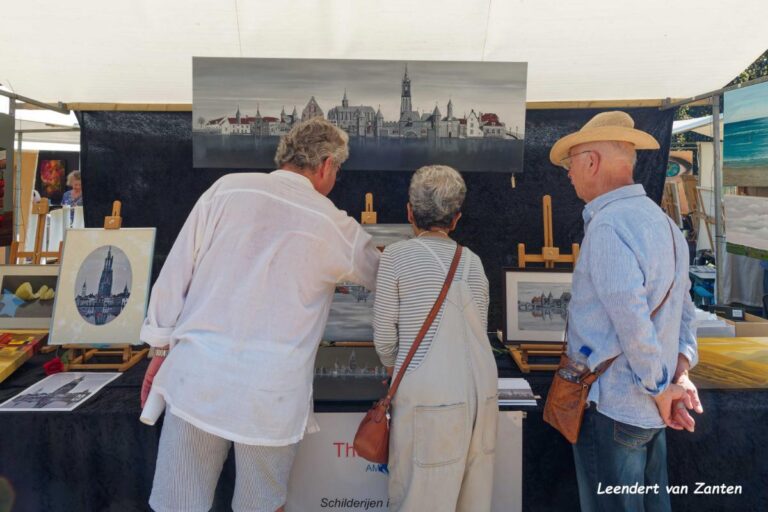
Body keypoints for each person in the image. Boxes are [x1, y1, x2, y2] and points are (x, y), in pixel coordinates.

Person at [139, 118, 380, 512]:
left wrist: (159, 351)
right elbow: (384, 276)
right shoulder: (334, 224)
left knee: (178, 503)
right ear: (325, 166)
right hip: (271, 391)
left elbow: (174, 275)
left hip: (198, 375)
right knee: (261, 506)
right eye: (337, 168)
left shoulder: (226, 189)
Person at [549, 111, 704, 512]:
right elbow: (685, 312)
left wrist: (661, 387)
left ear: (591, 162)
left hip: (617, 409)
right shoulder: (666, 225)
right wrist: (678, 376)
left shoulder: (607, 226)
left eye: (571, 164)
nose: (569, 174)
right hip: (649, 410)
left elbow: (632, 321)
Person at [373, 165, 497, 512]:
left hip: (426, 394)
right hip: (479, 394)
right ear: (456, 218)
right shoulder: (473, 262)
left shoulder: (395, 257)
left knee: (419, 498)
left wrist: (395, 367)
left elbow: (384, 338)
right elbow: (476, 335)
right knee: (471, 498)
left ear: (409, 212)